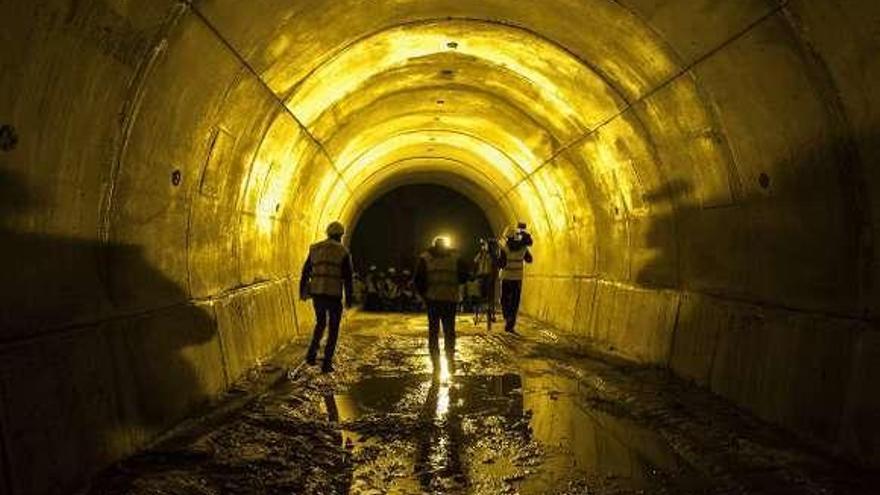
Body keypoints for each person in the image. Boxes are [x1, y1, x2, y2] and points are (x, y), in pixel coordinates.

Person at [299, 221, 354, 373]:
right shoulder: (342, 252)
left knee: (320, 323)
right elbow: (348, 278)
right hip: (333, 294)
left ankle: (311, 355)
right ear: (340, 235)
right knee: (334, 328)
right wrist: (349, 298)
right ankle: (326, 363)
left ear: (328, 233)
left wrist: (302, 290)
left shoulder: (315, 248)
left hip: (317, 293)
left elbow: (305, 271)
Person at [414, 236, 469, 378]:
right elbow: (464, 277)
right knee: (449, 331)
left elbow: (418, 280)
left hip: (432, 300)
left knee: (433, 332)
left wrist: (424, 296)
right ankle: (449, 358)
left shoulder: (425, 258)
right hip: (450, 299)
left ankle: (436, 365)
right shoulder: (455, 258)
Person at [499, 222, 533, 333]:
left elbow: (501, 264)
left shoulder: (504, 248)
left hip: (506, 277)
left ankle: (507, 317)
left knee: (504, 299)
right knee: (514, 302)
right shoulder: (523, 248)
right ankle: (511, 323)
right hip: (517, 278)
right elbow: (529, 260)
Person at [473, 237, 502, 326]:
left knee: (490, 296)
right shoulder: (481, 254)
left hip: (489, 276)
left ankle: (491, 312)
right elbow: (475, 261)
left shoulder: (492, 255)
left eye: (485, 245)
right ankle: (480, 312)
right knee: (481, 295)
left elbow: (496, 263)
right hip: (482, 275)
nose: (484, 247)